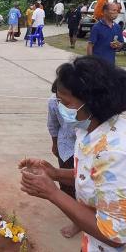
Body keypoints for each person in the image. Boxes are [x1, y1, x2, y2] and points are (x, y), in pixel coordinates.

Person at [19, 56, 126, 252]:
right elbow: (95, 175)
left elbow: (114, 236)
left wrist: (53, 193)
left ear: (94, 103)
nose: (59, 108)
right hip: (93, 244)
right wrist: (55, 173)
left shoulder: (117, 154)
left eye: (65, 103)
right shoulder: (90, 129)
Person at [47, 82, 79, 238]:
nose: (62, 105)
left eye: (66, 102)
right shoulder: (53, 102)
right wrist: (55, 144)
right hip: (66, 147)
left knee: (83, 184)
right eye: (59, 100)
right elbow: (52, 124)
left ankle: (80, 219)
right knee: (67, 184)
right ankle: (76, 216)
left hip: (82, 148)